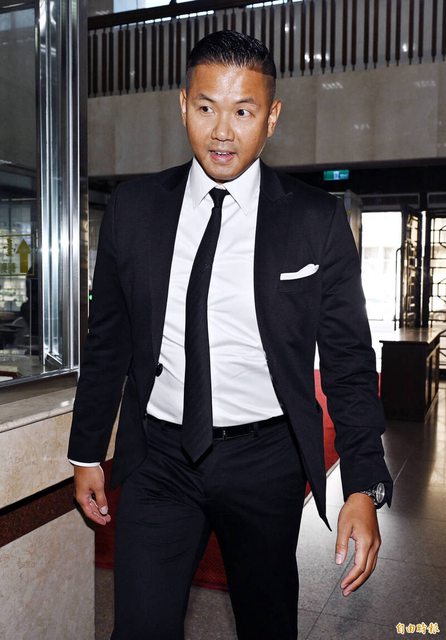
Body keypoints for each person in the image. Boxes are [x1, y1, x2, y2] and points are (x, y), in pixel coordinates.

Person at [68, 30, 393, 640]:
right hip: (159, 458)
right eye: (206, 107)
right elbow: (108, 342)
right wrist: (86, 453)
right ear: (182, 105)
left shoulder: (315, 220)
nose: (222, 131)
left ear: (272, 117)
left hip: (266, 461)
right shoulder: (135, 210)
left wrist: (362, 484)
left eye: (243, 111)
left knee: (267, 625)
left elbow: (349, 362)